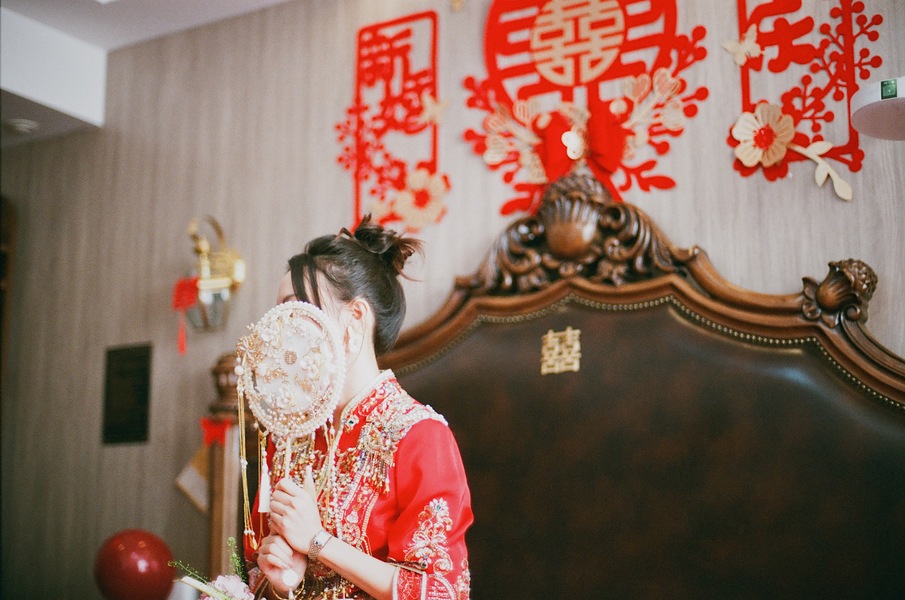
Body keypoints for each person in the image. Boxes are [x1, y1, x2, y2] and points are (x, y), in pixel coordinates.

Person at [245, 216, 473, 600]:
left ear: (354, 321)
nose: (282, 331)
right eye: (280, 314)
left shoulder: (419, 435)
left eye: (299, 312)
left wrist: (317, 542)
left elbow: (438, 591)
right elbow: (257, 572)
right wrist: (281, 584)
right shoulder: (287, 439)